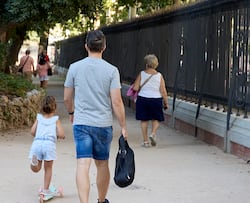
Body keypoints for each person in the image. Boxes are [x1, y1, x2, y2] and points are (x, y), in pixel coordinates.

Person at [63, 29, 128, 203]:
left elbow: (67, 97)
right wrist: (123, 125)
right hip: (103, 124)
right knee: (102, 164)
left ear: (86, 46)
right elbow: (116, 101)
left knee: (83, 165)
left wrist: (71, 113)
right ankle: (101, 200)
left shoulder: (75, 68)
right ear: (104, 47)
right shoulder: (112, 70)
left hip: (82, 123)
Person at [28, 95, 65, 195]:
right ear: (55, 107)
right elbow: (61, 134)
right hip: (49, 144)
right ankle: (45, 190)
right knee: (48, 168)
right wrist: (59, 135)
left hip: (37, 143)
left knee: (36, 169)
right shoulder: (56, 120)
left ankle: (34, 164)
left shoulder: (38, 118)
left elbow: (32, 132)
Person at [133, 54, 168, 147]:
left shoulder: (142, 74)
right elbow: (163, 91)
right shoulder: (159, 76)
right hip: (156, 99)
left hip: (143, 99)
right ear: (156, 64)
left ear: (146, 64)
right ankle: (153, 133)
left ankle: (145, 141)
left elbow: (135, 88)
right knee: (156, 118)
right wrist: (165, 102)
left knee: (144, 120)